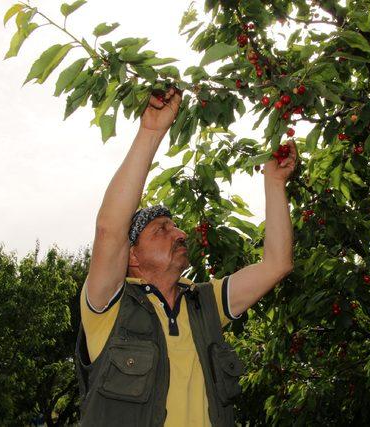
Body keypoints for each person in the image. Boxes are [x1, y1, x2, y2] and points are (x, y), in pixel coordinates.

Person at [73, 85, 297, 426]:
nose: (180, 234)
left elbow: (277, 264)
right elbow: (110, 229)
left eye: (176, 227)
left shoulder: (205, 305)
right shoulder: (109, 307)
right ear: (131, 256)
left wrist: (274, 183)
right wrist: (151, 131)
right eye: (161, 229)